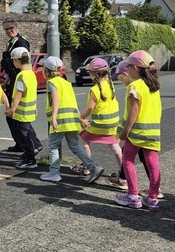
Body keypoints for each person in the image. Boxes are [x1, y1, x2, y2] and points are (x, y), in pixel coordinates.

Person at [39, 57, 105, 183]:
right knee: (75, 145)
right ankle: (93, 167)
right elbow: (73, 103)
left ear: (46, 70)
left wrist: (53, 118)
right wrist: (80, 119)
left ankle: (54, 173)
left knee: (53, 145)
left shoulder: (51, 82)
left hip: (60, 119)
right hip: (72, 120)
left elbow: (56, 99)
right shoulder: (66, 83)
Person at [106, 61, 163, 199]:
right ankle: (153, 197)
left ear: (134, 68)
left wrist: (125, 130)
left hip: (136, 133)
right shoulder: (153, 85)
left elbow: (134, 110)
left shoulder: (135, 86)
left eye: (129, 67)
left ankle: (132, 195)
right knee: (153, 164)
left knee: (127, 160)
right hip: (153, 132)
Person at [75, 58, 123, 180]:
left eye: (90, 72)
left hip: (99, 124)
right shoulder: (110, 85)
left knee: (85, 139)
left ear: (94, 75)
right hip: (113, 123)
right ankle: (124, 171)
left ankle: (87, 167)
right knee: (114, 145)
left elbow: (90, 108)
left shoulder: (95, 90)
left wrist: (82, 117)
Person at [0, 19, 43, 154]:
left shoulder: (21, 42)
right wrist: (6, 82)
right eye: (6, 29)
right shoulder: (11, 42)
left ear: (16, 27)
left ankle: (31, 145)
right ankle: (22, 144)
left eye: (11, 28)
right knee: (15, 118)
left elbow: (20, 65)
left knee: (17, 116)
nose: (9, 31)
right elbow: (11, 68)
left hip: (20, 81)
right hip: (15, 80)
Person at [5, 47, 40, 169]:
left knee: (23, 135)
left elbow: (19, 94)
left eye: (13, 60)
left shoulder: (21, 76)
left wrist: (12, 109)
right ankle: (35, 146)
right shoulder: (31, 74)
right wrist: (35, 107)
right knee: (27, 130)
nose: (13, 63)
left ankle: (30, 158)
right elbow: (32, 92)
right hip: (29, 110)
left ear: (17, 60)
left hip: (21, 112)